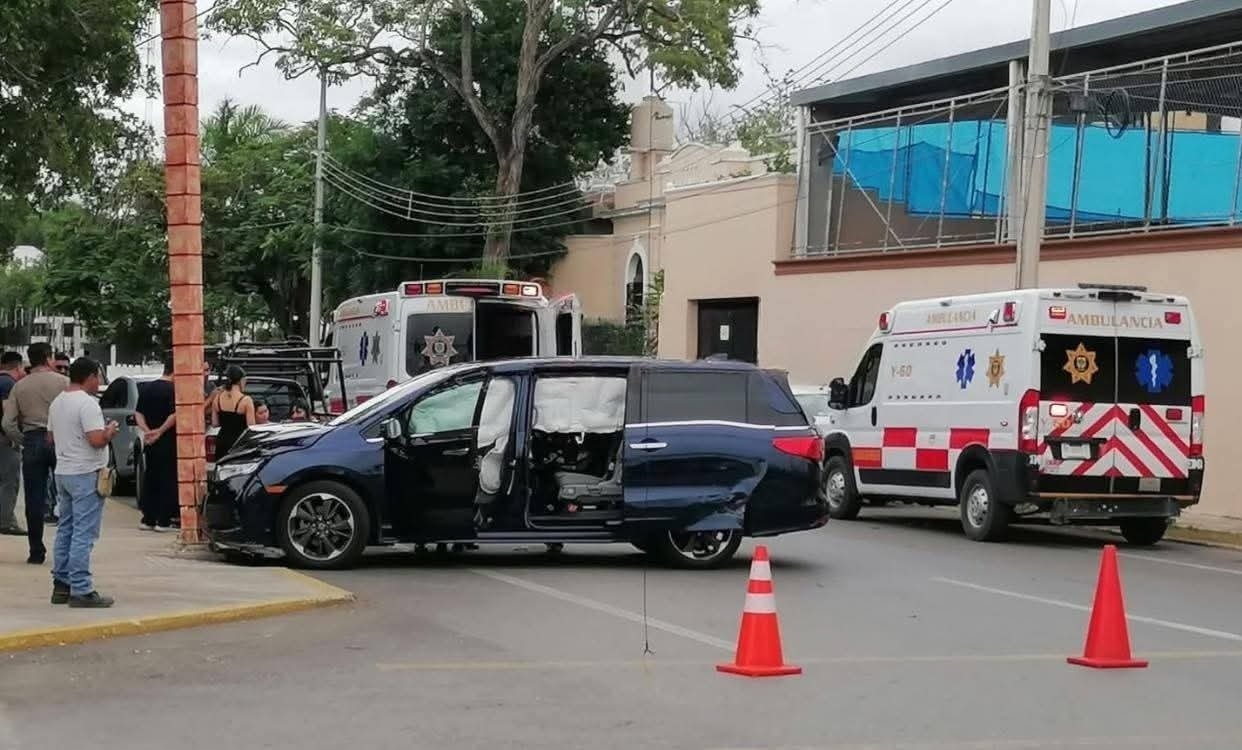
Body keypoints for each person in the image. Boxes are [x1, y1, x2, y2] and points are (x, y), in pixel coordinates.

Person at [48, 357, 118, 608]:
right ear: (90, 376)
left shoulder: (58, 402)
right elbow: (96, 440)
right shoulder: (87, 404)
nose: (98, 382)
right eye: (97, 377)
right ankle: (82, 588)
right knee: (83, 532)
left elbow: (50, 437)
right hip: (86, 473)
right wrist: (109, 432)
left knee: (65, 528)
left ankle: (61, 584)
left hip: (64, 471)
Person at [2, 343, 68, 564]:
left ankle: (36, 551)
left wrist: (23, 440)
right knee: (67, 494)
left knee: (34, 498)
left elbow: (8, 423)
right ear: (49, 358)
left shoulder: (19, 386)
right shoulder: (63, 382)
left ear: (30, 360)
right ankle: (66, 549)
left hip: (33, 440)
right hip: (60, 440)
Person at [135, 358, 177, 531]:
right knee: (167, 478)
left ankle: (148, 518)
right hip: (167, 439)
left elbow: (138, 412)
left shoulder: (147, 388)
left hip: (150, 440)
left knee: (151, 476)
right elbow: (174, 415)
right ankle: (164, 520)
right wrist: (159, 431)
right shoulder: (174, 390)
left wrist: (147, 431)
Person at [0, 351, 24, 536]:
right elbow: (8, 415)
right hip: (4, 439)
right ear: (17, 366)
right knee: (9, 481)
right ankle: (6, 521)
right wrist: (16, 438)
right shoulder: (8, 384)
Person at [212, 365, 255, 458]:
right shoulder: (246, 400)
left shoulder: (217, 398)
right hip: (239, 444)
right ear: (240, 380)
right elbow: (252, 428)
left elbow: (215, 423)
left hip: (222, 442)